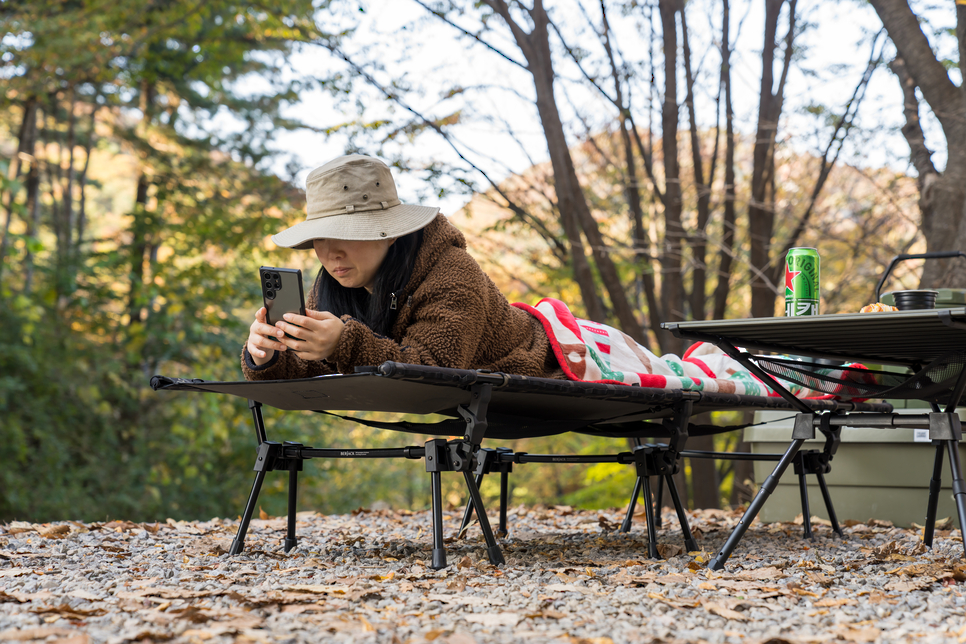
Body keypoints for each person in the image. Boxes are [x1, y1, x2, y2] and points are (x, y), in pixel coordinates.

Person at [242, 154, 564, 381]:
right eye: (319, 238)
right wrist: (266, 356)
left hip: (542, 367)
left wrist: (345, 343)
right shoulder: (336, 282)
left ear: (390, 232)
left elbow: (437, 372)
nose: (330, 253)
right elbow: (311, 366)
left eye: (345, 234)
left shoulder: (453, 275)